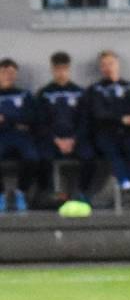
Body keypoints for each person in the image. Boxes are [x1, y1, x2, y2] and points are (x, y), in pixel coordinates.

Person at [36, 51, 95, 204]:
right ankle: (47, 193)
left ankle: (81, 192)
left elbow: (85, 121)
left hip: (75, 138)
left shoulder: (80, 92)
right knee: (41, 158)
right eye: (57, 69)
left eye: (64, 69)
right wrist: (56, 140)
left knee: (90, 157)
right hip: (52, 139)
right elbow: (41, 122)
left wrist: (73, 139)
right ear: (52, 69)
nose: (61, 73)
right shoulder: (44, 93)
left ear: (69, 69)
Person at [87, 50, 130, 203]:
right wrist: (120, 118)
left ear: (118, 65)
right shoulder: (96, 89)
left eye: (111, 63)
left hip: (129, 133)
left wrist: (126, 119)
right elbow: (99, 113)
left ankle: (129, 187)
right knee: (113, 154)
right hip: (106, 133)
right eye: (104, 65)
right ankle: (126, 185)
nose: (108, 67)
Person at [0, 58, 39, 212]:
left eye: (12, 73)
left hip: (21, 136)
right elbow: (21, 117)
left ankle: (20, 192)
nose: (8, 76)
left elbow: (31, 117)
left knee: (33, 159)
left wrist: (6, 118)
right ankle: (1, 194)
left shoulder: (24, 94)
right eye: (4, 72)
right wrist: (16, 119)